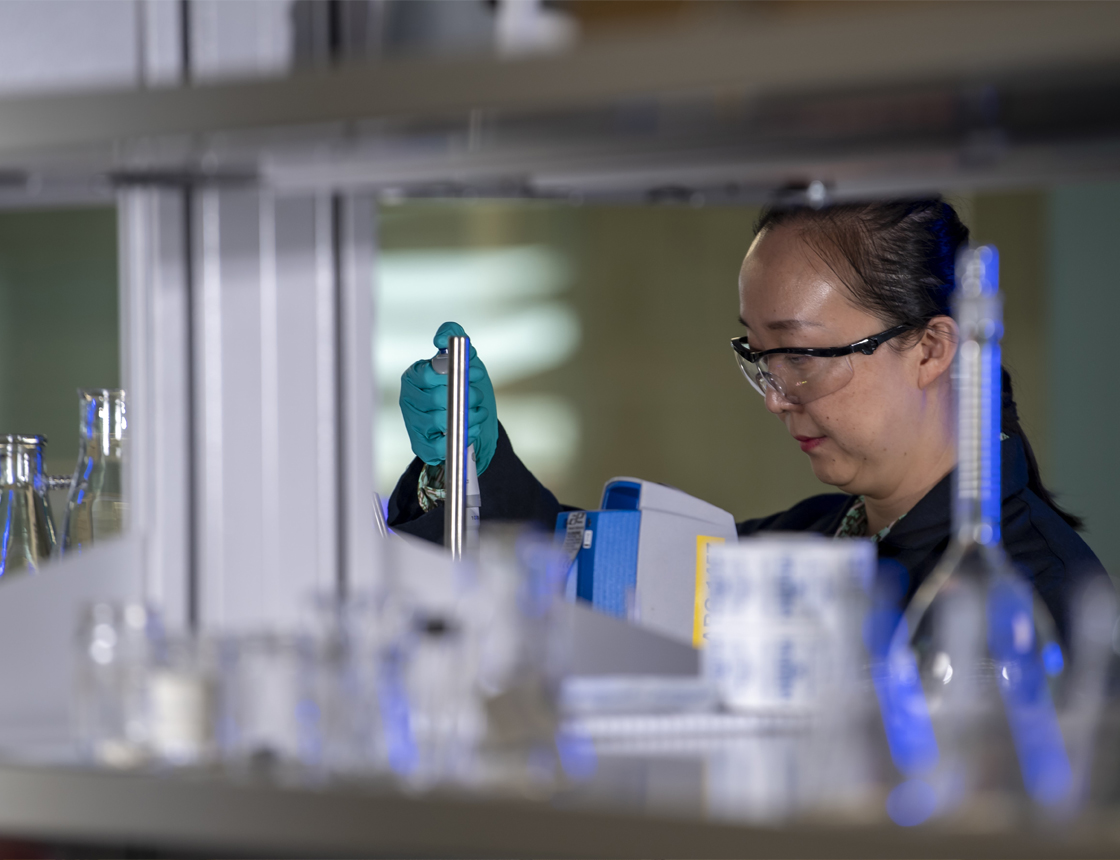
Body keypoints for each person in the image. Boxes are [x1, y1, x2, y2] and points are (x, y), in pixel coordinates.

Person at [388, 198, 1105, 638]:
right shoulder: (820, 533)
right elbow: (602, 578)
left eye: (802, 356)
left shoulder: (1031, 601)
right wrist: (471, 472)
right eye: (760, 355)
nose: (774, 396)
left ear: (931, 348)